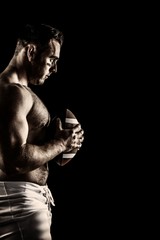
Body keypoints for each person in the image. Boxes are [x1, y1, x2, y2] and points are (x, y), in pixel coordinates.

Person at [0, 24, 84, 240]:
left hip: (23, 201)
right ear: (31, 52)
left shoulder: (16, 92)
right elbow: (15, 161)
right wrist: (61, 144)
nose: (54, 69)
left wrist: (56, 141)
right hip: (19, 204)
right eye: (52, 60)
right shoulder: (13, 93)